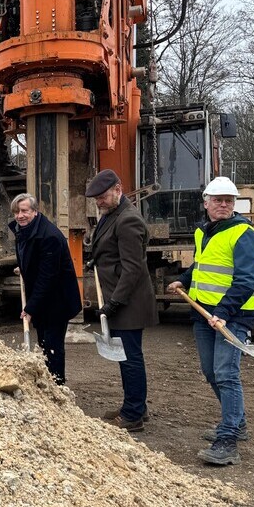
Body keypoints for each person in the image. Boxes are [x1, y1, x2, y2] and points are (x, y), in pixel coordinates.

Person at [167, 177, 254, 466]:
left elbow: (246, 280)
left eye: (229, 200)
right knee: (210, 372)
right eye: (218, 200)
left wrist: (223, 310)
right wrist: (183, 280)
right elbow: (202, 266)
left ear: (234, 204)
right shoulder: (204, 231)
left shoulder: (244, 234)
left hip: (233, 316)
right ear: (206, 202)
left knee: (226, 374)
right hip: (203, 314)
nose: (224, 204)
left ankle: (229, 439)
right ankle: (238, 422)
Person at [85, 169, 158, 432]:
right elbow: (109, 248)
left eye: (102, 197)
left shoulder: (128, 220)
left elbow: (132, 268)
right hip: (120, 298)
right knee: (124, 357)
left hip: (129, 302)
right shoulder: (111, 214)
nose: (99, 202)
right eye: (96, 199)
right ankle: (135, 405)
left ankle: (133, 415)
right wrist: (96, 258)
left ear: (118, 188)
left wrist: (115, 302)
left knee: (130, 358)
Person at [8, 193, 82, 384]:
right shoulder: (23, 231)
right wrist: (23, 268)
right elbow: (33, 259)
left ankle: (57, 386)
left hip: (57, 300)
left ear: (35, 211)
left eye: (24, 211)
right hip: (43, 299)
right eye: (17, 211)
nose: (20, 215)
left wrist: (30, 308)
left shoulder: (49, 236)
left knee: (52, 345)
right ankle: (48, 381)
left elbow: (47, 277)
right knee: (43, 342)